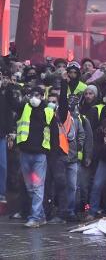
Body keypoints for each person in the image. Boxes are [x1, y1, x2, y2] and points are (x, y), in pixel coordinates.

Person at [15, 86, 62, 227]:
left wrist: (53, 154)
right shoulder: (24, 107)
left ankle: (35, 217)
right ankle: (40, 216)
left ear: (43, 96)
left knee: (37, 187)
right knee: (30, 187)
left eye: (37, 95)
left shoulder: (49, 111)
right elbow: (12, 108)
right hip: (25, 153)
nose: (34, 97)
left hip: (40, 156)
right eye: (32, 94)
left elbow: (54, 134)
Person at [46, 92, 85, 224]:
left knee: (72, 187)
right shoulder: (56, 117)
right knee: (60, 185)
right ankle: (60, 212)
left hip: (72, 158)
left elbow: (82, 135)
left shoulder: (77, 119)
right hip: (60, 157)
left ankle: (70, 212)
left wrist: (77, 147)